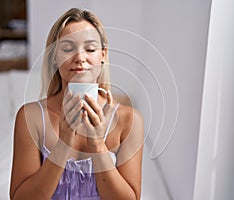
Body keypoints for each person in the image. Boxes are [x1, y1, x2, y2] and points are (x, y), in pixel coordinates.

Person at [10, 8, 144, 200]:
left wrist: (98, 145)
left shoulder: (130, 120)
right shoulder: (30, 117)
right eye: (67, 48)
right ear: (54, 57)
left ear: (103, 55)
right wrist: (63, 144)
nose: (80, 58)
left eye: (90, 49)